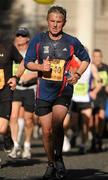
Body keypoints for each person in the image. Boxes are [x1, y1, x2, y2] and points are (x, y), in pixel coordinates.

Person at [24, 6, 90, 179]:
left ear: (64, 23)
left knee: (57, 124)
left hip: (63, 89)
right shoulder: (38, 39)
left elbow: (86, 59)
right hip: (43, 91)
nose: (55, 24)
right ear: (47, 21)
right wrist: (40, 67)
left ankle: (59, 158)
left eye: (59, 21)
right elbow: (27, 62)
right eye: (52, 21)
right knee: (46, 131)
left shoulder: (71, 41)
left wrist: (77, 74)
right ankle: (51, 162)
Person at [8, 27, 37, 159]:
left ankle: (27, 145)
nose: (20, 38)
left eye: (22, 36)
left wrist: (29, 77)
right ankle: (15, 146)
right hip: (16, 89)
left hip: (30, 89)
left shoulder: (32, 53)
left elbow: (39, 70)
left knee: (28, 120)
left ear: (27, 39)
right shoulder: (11, 52)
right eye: (18, 35)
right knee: (13, 117)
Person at [0, 31, 24, 165]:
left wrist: (16, 77)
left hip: (5, 91)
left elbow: (23, 61)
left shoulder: (8, 47)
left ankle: (7, 136)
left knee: (2, 128)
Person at [90, 49, 108, 151]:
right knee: (92, 121)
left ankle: (99, 138)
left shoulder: (106, 68)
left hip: (102, 96)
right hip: (92, 96)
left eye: (99, 56)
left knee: (101, 118)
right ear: (93, 57)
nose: (97, 58)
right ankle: (94, 137)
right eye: (95, 56)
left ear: (101, 57)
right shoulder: (89, 68)